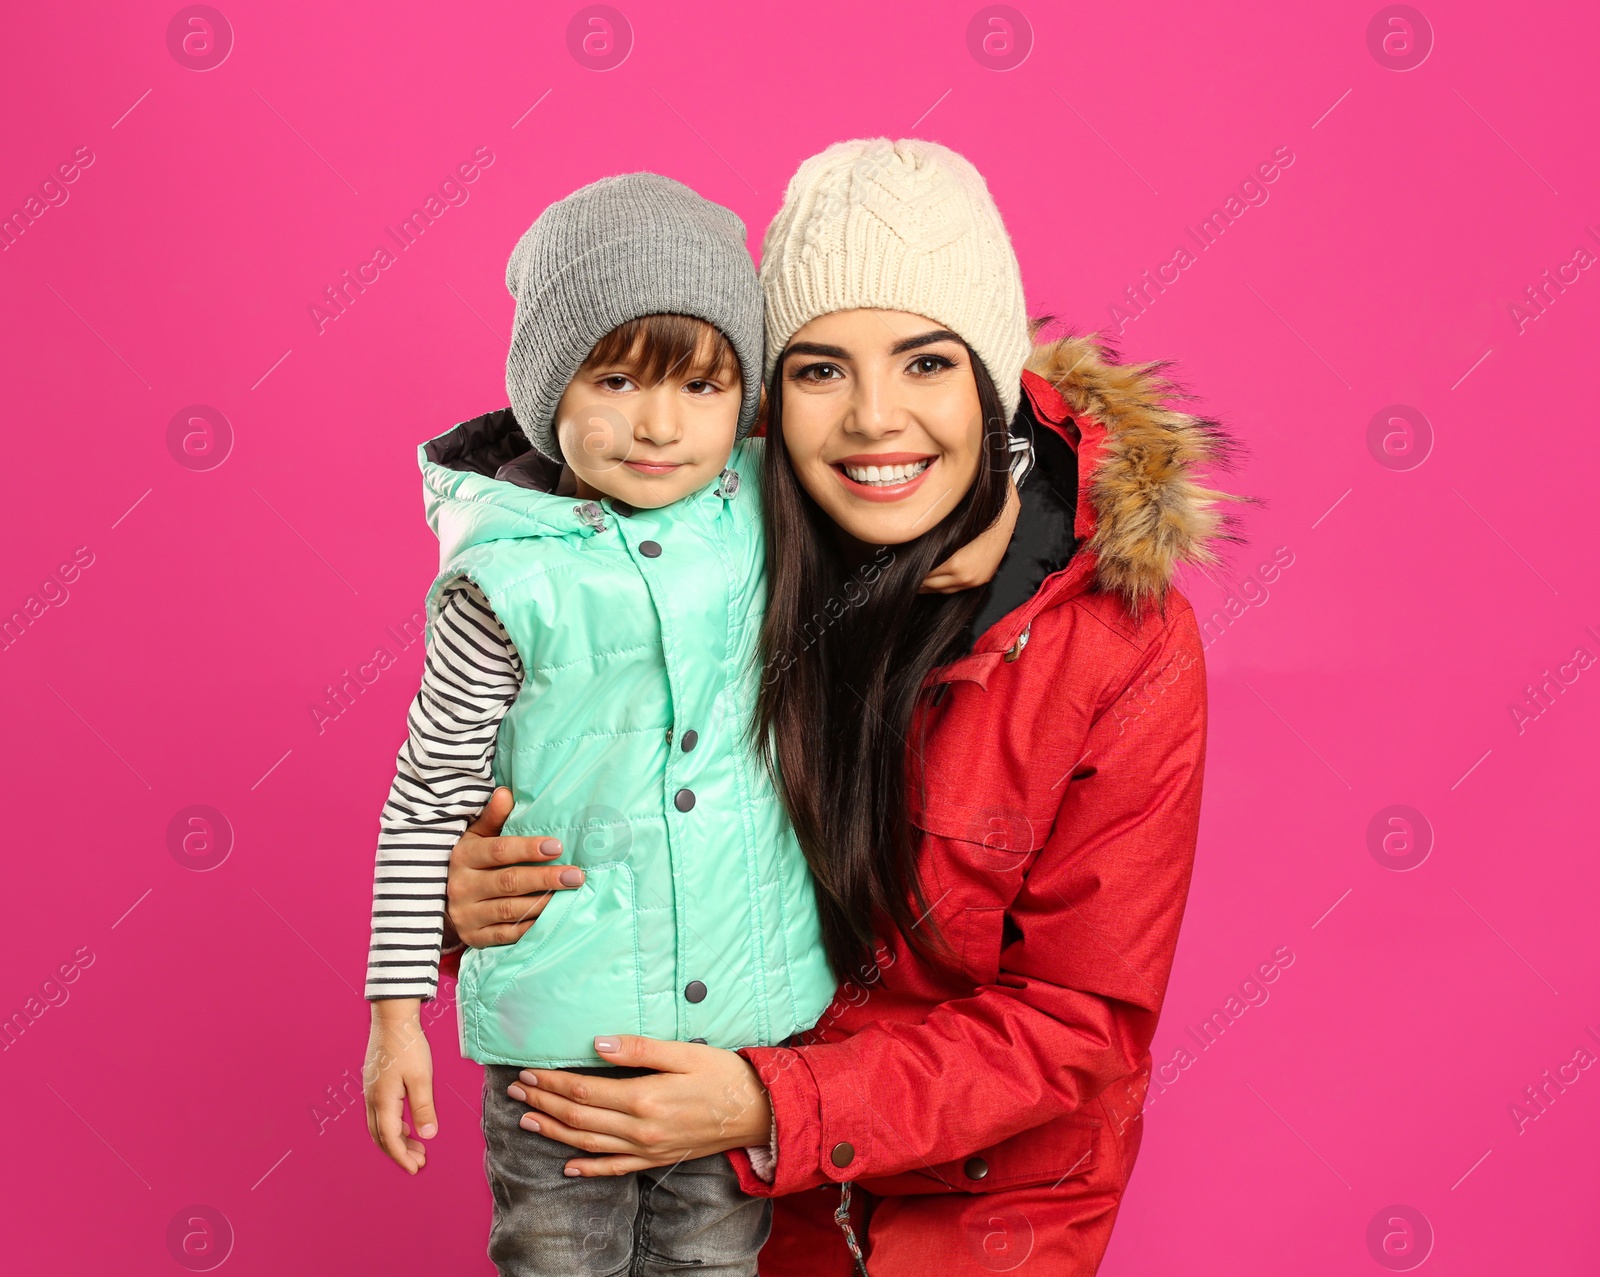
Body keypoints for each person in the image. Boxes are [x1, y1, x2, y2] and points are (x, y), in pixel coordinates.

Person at [442, 139, 1237, 1275]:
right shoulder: (712, 565)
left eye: (925, 364)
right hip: (741, 1207)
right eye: (818, 370)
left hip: (979, 1218)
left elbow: (1080, 1018)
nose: (873, 417)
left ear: (993, 378)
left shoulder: (1118, 644)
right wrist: (468, 898)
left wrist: (769, 1103)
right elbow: (569, 794)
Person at [360, 170, 1013, 1277]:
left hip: (739, 1028)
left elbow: (937, 458)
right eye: (614, 379)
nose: (659, 424)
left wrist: (999, 514)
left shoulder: (774, 503)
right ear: (544, 385)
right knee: (558, 1259)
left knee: (714, 1260)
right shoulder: (501, 579)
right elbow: (429, 788)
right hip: (555, 1041)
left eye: (704, 386)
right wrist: (394, 1010)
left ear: (743, 397)